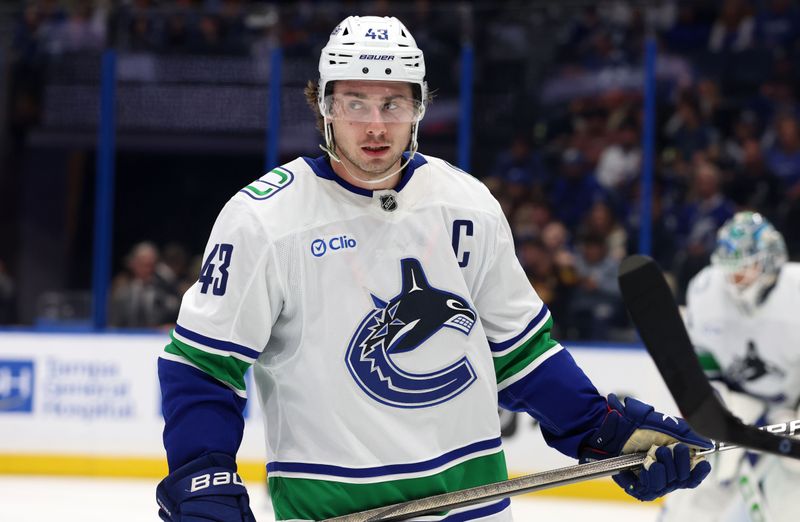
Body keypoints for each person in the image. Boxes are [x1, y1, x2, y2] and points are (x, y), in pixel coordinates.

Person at [155, 16, 712, 522]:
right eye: (355, 103)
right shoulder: (264, 220)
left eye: (393, 104)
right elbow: (205, 367)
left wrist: (601, 430)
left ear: (419, 106)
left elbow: (520, 353)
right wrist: (203, 480)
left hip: (474, 511)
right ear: (322, 105)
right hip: (332, 511)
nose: (375, 126)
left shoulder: (464, 202)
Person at [662, 211, 800, 522]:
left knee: (794, 467)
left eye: (743, 268)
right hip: (739, 398)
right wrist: (714, 409)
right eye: (729, 268)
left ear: (770, 261)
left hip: (792, 402)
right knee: (711, 466)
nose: (733, 279)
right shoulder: (706, 289)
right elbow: (705, 362)